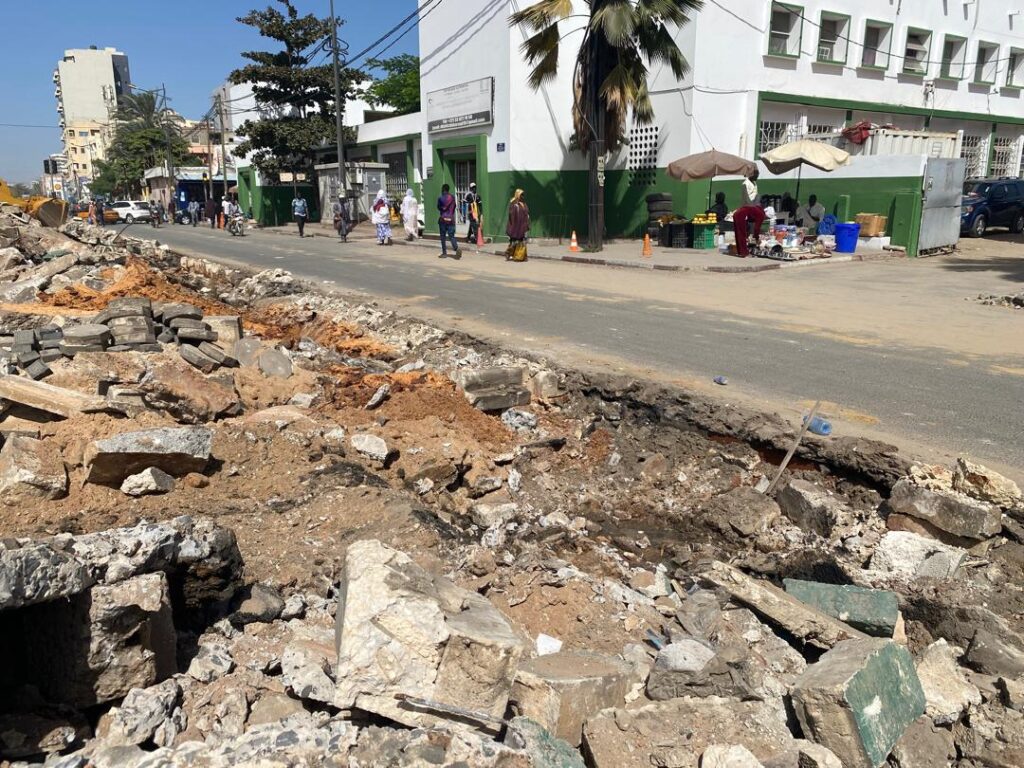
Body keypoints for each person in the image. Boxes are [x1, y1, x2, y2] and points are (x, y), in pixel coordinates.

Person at [732, 170, 764, 257]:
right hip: (743, 212)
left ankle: (741, 252)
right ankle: (743, 253)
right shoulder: (745, 184)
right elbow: (757, 229)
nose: (757, 178)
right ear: (751, 175)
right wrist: (756, 238)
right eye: (756, 176)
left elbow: (755, 196)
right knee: (741, 233)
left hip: (746, 211)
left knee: (742, 233)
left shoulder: (754, 183)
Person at [505, 189, 530, 262]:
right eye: (521, 195)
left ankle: (522, 256)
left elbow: (526, 213)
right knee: (514, 242)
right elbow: (511, 215)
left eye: (523, 195)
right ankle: (508, 253)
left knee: (523, 242)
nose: (522, 196)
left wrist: (527, 223)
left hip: (523, 225)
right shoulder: (513, 203)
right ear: (517, 195)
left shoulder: (524, 204)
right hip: (515, 226)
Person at [437, 183, 460, 258]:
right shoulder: (452, 197)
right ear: (448, 189)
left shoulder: (440, 198)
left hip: (443, 219)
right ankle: (456, 248)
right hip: (451, 219)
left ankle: (444, 253)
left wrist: (443, 210)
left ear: (443, 189)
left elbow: (439, 207)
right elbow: (454, 206)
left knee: (443, 237)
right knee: (451, 236)